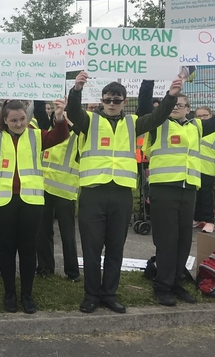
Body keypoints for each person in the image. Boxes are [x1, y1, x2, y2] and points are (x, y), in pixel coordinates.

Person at [67, 71, 181, 314]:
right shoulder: (88, 120)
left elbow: (158, 117)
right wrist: (76, 90)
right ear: (101, 100)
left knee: (116, 246)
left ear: (123, 102)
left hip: (121, 194)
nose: (111, 104)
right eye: (107, 99)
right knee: (91, 247)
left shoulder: (133, 123)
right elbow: (72, 112)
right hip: (93, 193)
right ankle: (90, 295)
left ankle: (109, 294)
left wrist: (171, 97)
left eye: (116, 100)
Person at [0, 97, 69, 314]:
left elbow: (60, 135)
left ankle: (27, 294)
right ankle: (9, 293)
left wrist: (60, 116)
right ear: (4, 120)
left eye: (22, 119)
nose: (19, 124)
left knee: (27, 249)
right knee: (6, 249)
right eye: (14, 120)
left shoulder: (36, 135)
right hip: (2, 201)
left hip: (31, 201)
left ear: (27, 117)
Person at [144, 94, 215, 306]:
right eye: (173, 104)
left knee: (183, 238)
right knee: (166, 239)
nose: (177, 107)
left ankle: (176, 281)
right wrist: (150, 81)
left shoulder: (196, 126)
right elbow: (144, 104)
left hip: (188, 189)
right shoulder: (157, 123)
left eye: (182, 105)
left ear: (188, 109)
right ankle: (162, 285)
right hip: (164, 188)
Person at [33, 101, 81, 283]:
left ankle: (72, 272)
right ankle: (45, 267)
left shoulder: (77, 136)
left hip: (65, 191)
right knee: (43, 232)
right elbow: (39, 110)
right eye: (55, 116)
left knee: (67, 234)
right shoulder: (46, 133)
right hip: (43, 189)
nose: (57, 119)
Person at [194, 106, 215, 233]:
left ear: (211, 116)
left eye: (205, 115)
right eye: (199, 116)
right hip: (192, 169)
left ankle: (209, 220)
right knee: (194, 196)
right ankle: (196, 218)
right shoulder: (193, 129)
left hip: (208, 169)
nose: (202, 118)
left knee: (206, 197)